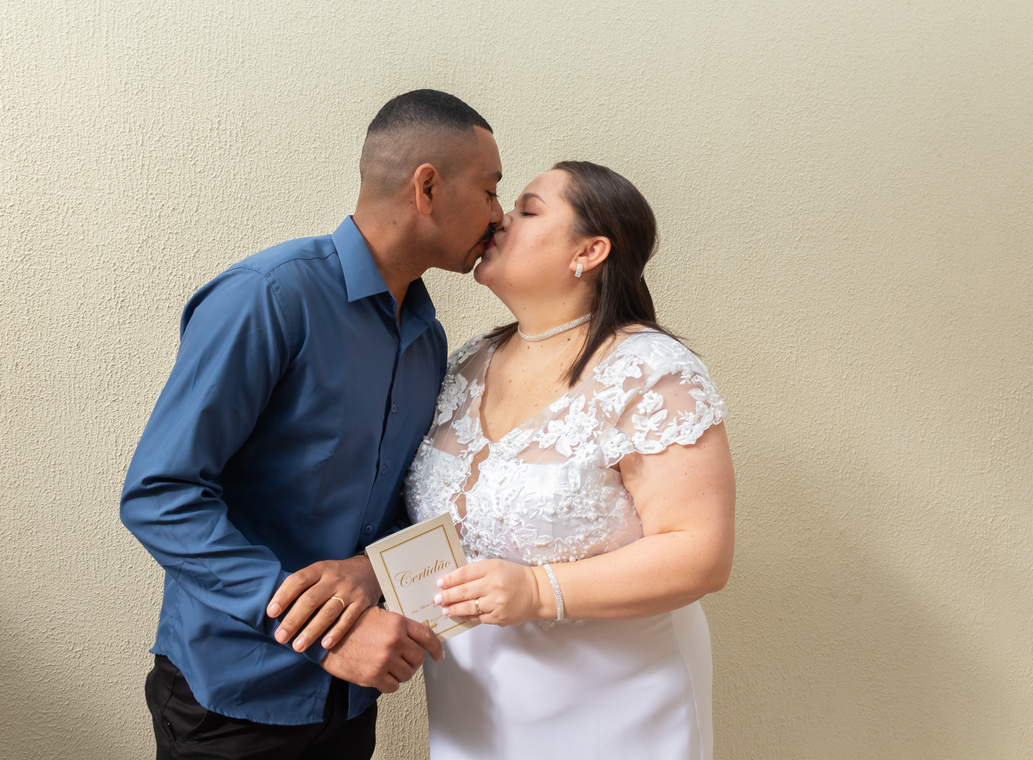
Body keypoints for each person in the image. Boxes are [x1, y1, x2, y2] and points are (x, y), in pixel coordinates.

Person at [120, 89, 504, 759]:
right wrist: (326, 633)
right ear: (427, 187)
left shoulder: (428, 338)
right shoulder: (268, 298)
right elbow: (159, 494)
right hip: (231, 696)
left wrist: (371, 572)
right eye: (491, 189)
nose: (499, 215)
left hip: (349, 700)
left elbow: (400, 501)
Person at [402, 161, 736, 759]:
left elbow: (701, 553)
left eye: (528, 209)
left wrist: (537, 589)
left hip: (616, 706)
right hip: (474, 706)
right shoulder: (466, 363)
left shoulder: (650, 373)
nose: (500, 219)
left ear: (589, 251)